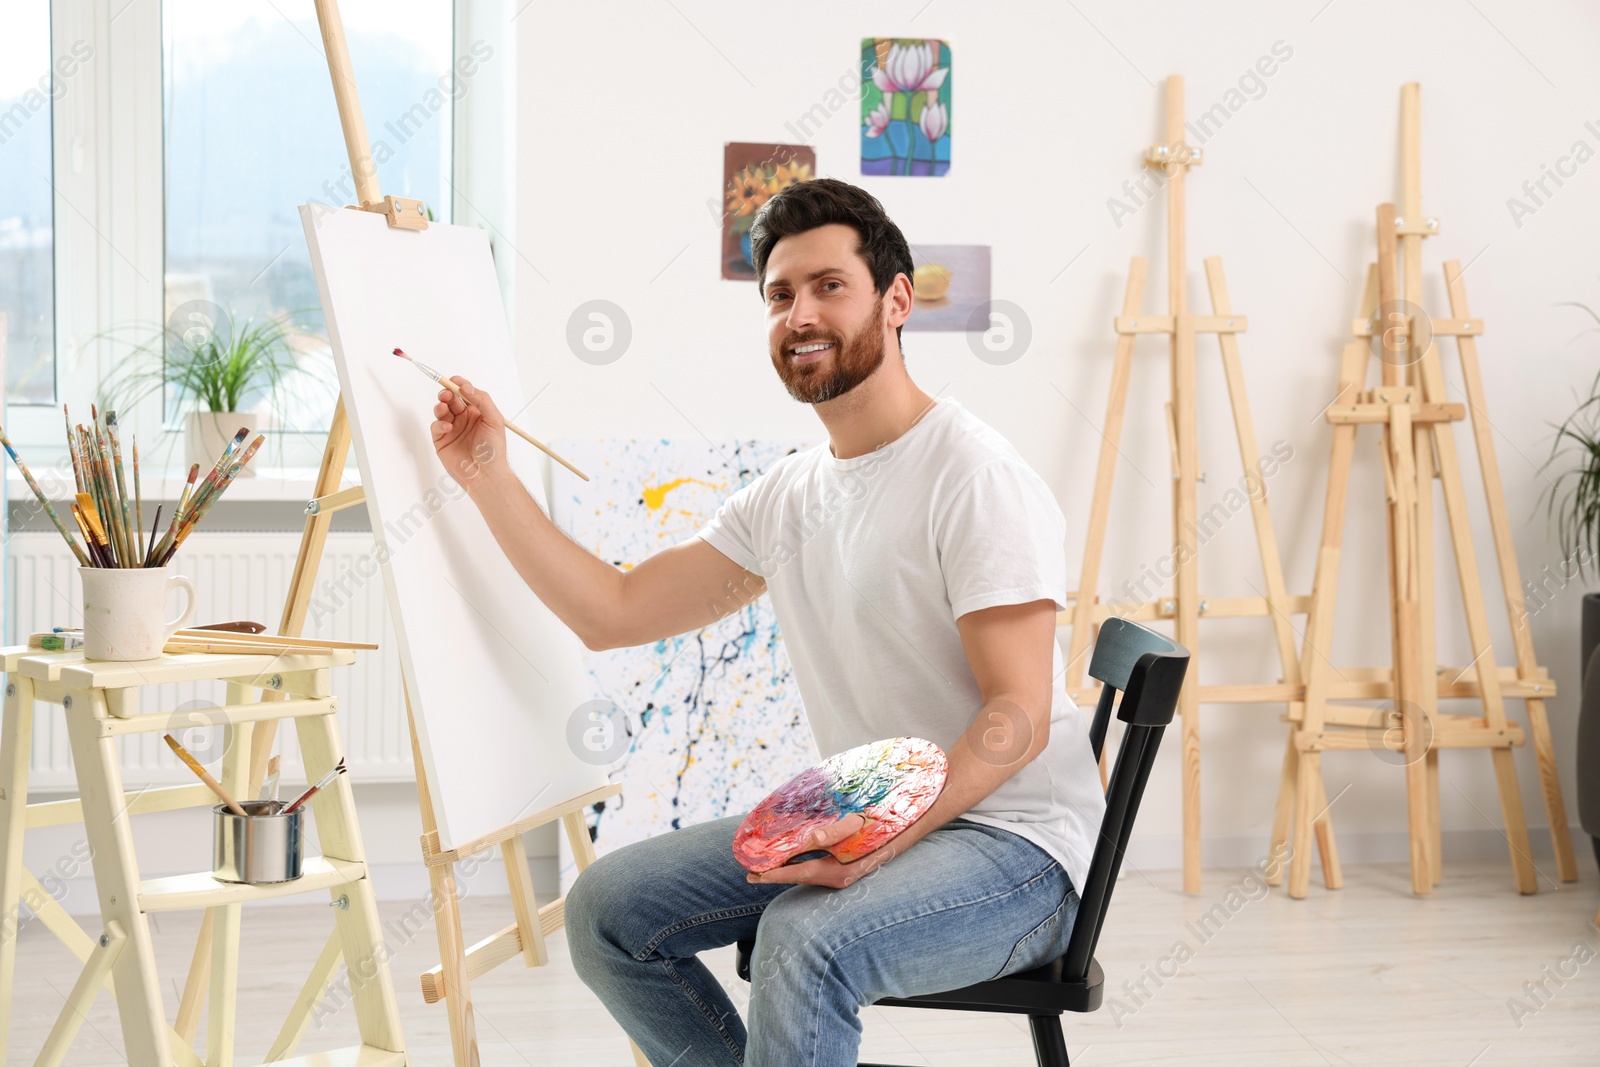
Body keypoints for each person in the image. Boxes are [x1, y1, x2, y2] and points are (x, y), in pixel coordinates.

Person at [428, 178, 1105, 1067]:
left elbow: (1014, 718)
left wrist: (876, 842)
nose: (800, 314)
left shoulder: (972, 475)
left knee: (803, 940)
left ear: (897, 300)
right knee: (607, 911)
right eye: (780, 295)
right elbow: (614, 612)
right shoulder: (792, 494)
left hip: (1013, 848)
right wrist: (487, 473)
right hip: (873, 813)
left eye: (830, 285)